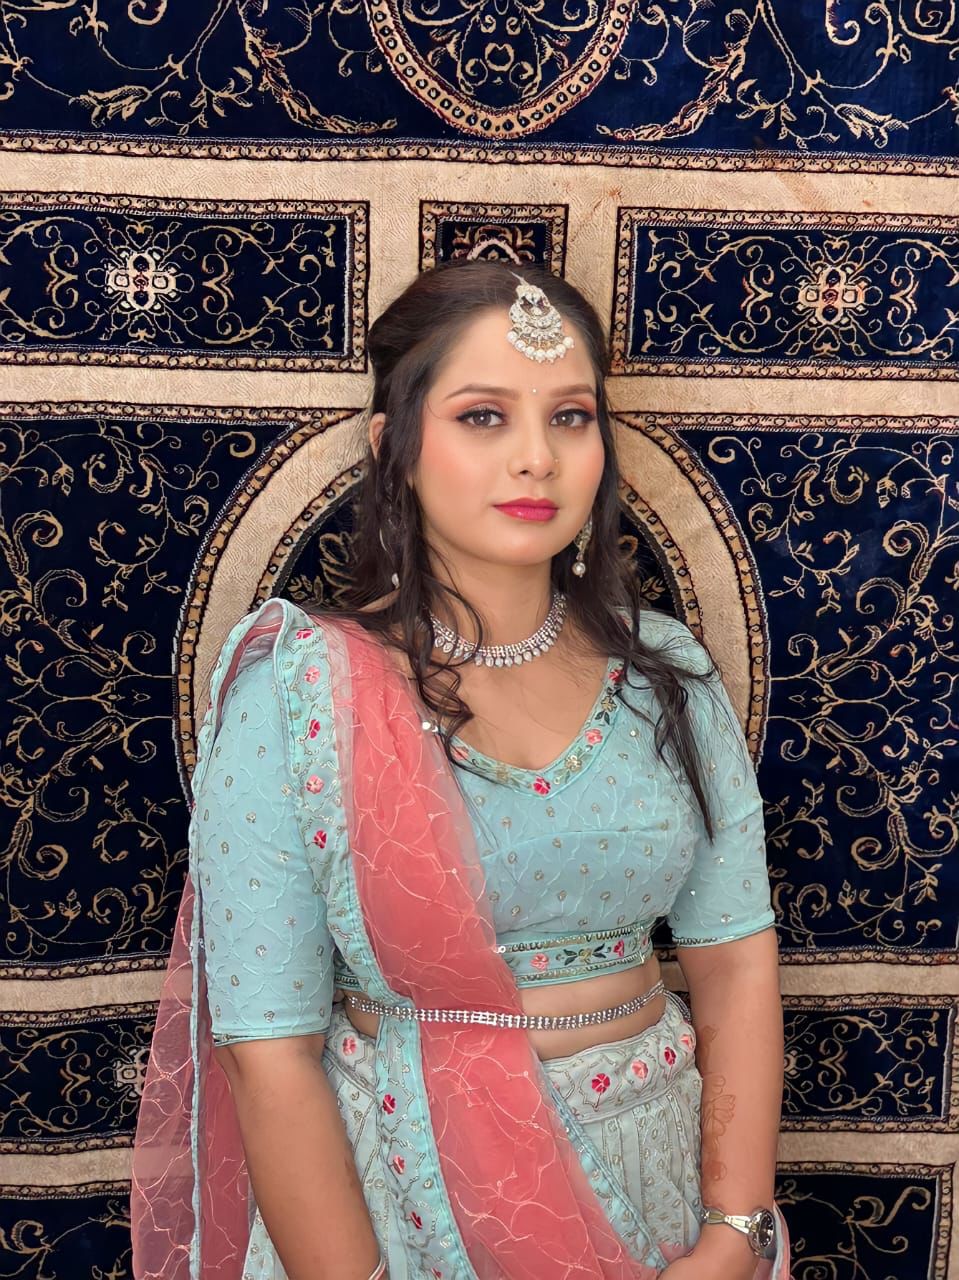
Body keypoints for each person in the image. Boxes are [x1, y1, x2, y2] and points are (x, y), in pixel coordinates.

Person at [130, 260, 791, 1279]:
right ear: (391, 446)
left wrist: (731, 1232)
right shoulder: (304, 692)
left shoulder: (666, 674)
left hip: (663, 1185)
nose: (536, 457)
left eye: (570, 417)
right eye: (483, 416)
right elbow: (267, 1050)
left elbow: (736, 961)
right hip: (407, 1203)